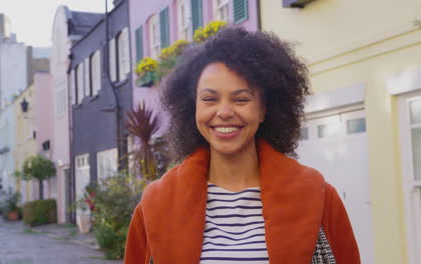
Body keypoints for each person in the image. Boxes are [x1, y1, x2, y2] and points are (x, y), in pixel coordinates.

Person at [124, 26, 360, 264]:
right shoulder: (155, 205)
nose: (224, 112)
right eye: (209, 99)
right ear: (192, 107)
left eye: (241, 99)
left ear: (264, 109)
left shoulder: (318, 197)